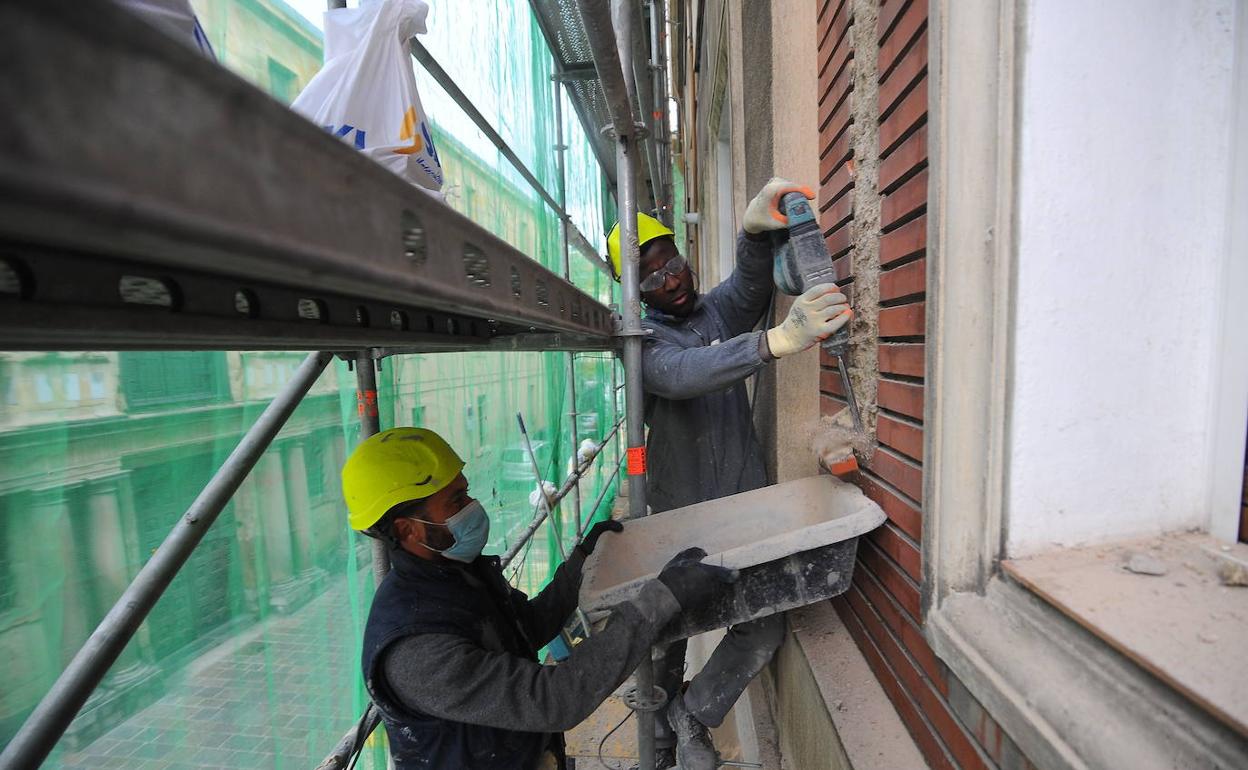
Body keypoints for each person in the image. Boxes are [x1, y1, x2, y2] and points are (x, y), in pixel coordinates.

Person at [605, 179, 851, 769]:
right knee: (665, 640)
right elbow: (686, 373)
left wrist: (750, 232)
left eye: (674, 263)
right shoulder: (641, 342)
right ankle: (659, 752)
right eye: (655, 277)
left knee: (762, 627)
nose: (673, 279)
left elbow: (747, 287)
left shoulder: (711, 310)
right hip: (679, 519)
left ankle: (694, 715)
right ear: (635, 293)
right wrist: (776, 340)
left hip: (742, 509)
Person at [341, 426, 737, 770]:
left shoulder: (454, 576)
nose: (472, 507)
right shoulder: (416, 649)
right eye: (456, 502)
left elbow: (523, 630)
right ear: (409, 529)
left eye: (466, 493)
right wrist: (660, 599)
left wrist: (580, 564)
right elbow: (553, 699)